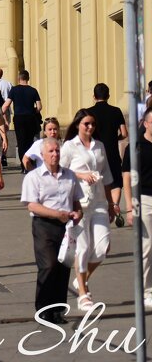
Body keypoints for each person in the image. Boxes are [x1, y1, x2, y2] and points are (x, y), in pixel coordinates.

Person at [21, 137, 85, 325]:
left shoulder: (70, 175)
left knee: (63, 267)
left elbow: (76, 201)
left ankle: (58, 310)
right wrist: (56, 214)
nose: (55, 154)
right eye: (51, 151)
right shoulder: (33, 177)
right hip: (44, 225)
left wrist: (78, 213)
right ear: (42, 155)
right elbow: (32, 206)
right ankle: (43, 308)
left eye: (57, 151)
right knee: (48, 265)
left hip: (66, 227)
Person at [61, 108, 115, 310]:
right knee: (82, 248)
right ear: (77, 125)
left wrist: (112, 203)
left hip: (99, 201)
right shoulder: (69, 146)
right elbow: (61, 172)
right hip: (79, 203)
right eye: (86, 124)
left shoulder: (99, 146)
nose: (90, 127)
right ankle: (83, 294)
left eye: (93, 124)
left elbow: (107, 175)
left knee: (102, 247)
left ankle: (81, 278)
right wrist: (80, 175)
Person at [122, 108, 152, 310]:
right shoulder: (136, 146)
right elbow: (126, 176)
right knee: (147, 247)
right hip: (144, 199)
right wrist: (130, 207)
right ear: (146, 123)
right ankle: (146, 291)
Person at [86, 83, 127, 224]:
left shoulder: (88, 113)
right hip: (112, 151)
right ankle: (114, 205)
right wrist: (116, 138)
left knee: (97, 180)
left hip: (94, 152)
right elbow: (124, 133)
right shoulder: (116, 111)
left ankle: (100, 209)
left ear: (94, 96)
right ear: (108, 96)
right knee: (115, 181)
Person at [9, 70, 43, 165]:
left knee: (21, 142)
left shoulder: (14, 90)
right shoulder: (33, 90)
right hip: (30, 118)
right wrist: (33, 111)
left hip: (19, 118)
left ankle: (23, 165)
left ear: (19, 78)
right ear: (28, 78)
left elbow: (6, 104)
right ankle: (29, 162)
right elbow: (39, 106)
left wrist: (1, 114)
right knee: (29, 141)